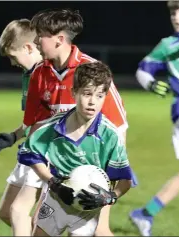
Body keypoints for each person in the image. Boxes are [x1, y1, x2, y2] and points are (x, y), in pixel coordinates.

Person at [19, 62, 133, 236]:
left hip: (88, 207)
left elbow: (125, 181)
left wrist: (109, 197)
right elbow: (31, 155)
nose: (92, 102)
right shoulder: (53, 126)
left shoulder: (110, 135)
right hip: (56, 199)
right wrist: (53, 182)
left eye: (99, 96)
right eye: (87, 94)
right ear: (74, 93)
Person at [129, 1, 179, 236]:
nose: (176, 16)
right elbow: (142, 69)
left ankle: (145, 214)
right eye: (173, 12)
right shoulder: (169, 45)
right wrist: (151, 84)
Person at [0, 18, 44, 236]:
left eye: (13, 56)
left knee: (18, 212)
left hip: (44, 153)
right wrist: (14, 136)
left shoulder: (47, 74)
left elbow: (56, 118)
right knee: (5, 212)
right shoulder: (28, 74)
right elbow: (33, 119)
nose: (13, 63)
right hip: (30, 149)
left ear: (28, 47)